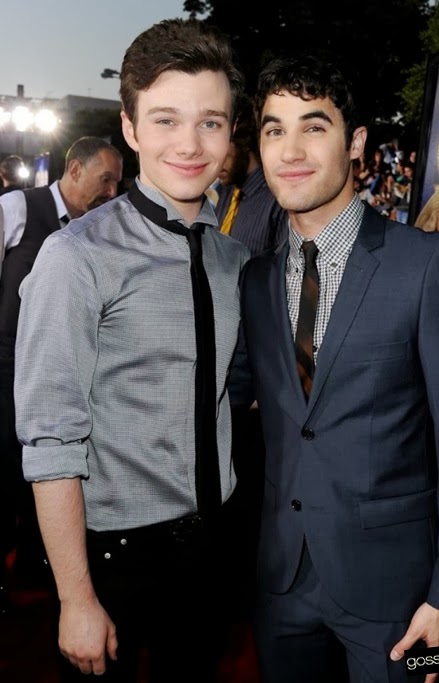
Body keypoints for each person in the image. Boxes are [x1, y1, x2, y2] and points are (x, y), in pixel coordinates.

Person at [231, 52, 439, 683]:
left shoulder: (430, 267)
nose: (291, 150)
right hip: (281, 583)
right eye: (274, 129)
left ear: (355, 143)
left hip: (402, 595)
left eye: (314, 127)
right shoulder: (255, 280)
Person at [14, 18, 248, 683]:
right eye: (166, 119)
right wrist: (75, 598)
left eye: (210, 122)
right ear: (132, 128)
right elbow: (51, 439)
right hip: (114, 559)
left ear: (231, 132)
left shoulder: (233, 259)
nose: (190, 143)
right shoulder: (76, 257)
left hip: (214, 548)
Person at [0, 136, 122, 615]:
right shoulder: (17, 207)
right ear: (74, 170)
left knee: (52, 473)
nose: (111, 192)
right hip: (6, 372)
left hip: (67, 378)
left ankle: (40, 568)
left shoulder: (101, 231)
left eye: (117, 182)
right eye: (105, 179)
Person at [215, 94, 287, 255]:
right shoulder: (223, 194)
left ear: (244, 142)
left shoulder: (277, 200)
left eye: (222, 150)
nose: (216, 162)